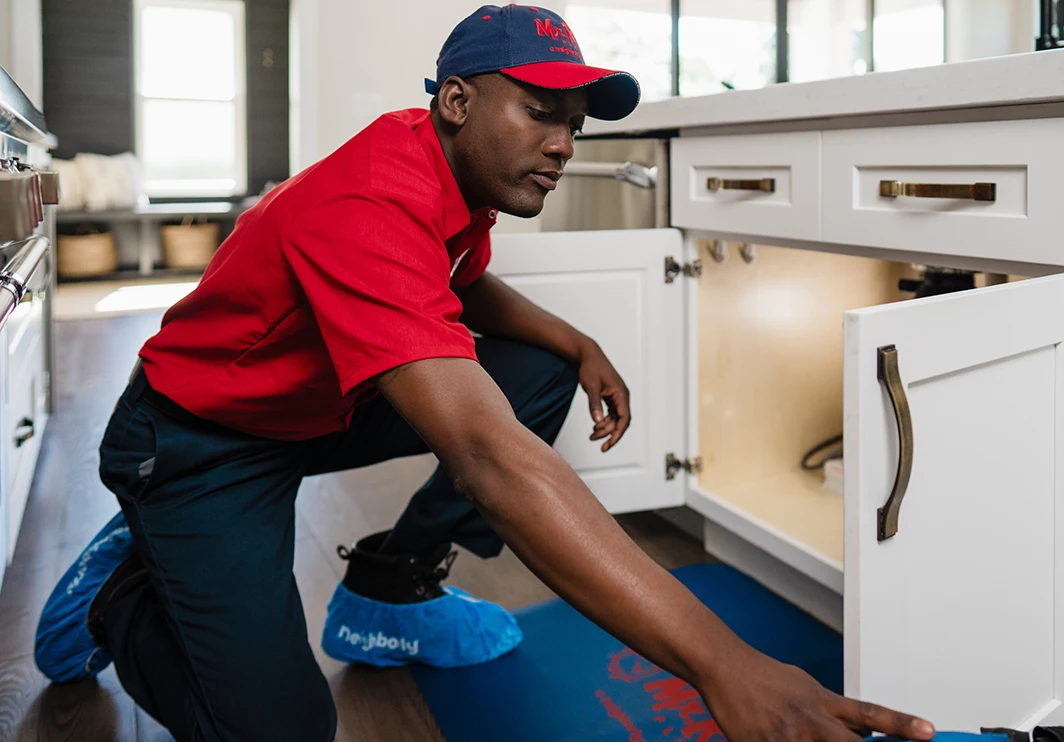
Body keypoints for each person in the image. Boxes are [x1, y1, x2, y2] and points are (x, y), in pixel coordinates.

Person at [33, 5, 937, 741]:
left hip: (309, 410)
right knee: (289, 733)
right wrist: (723, 664)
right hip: (198, 441)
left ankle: (393, 585)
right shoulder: (369, 201)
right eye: (541, 112)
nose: (563, 144)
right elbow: (490, 461)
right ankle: (124, 597)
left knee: (537, 372)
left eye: (574, 127)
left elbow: (462, 280)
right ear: (458, 100)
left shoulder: (446, 168)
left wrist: (574, 341)